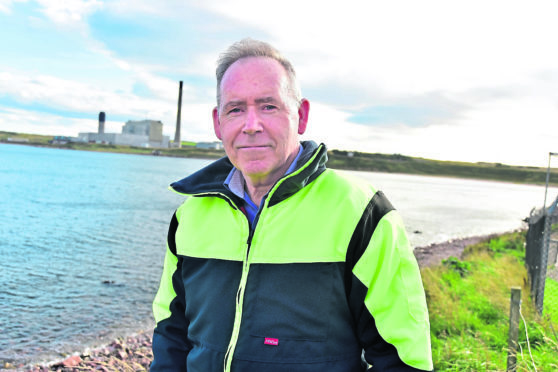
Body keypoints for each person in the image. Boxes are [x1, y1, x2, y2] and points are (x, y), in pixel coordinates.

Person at [151, 38, 433, 372]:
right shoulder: (190, 215)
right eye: (235, 109)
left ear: (300, 116)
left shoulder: (362, 212)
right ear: (218, 122)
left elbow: (402, 359)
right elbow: (171, 334)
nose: (251, 125)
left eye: (268, 106)